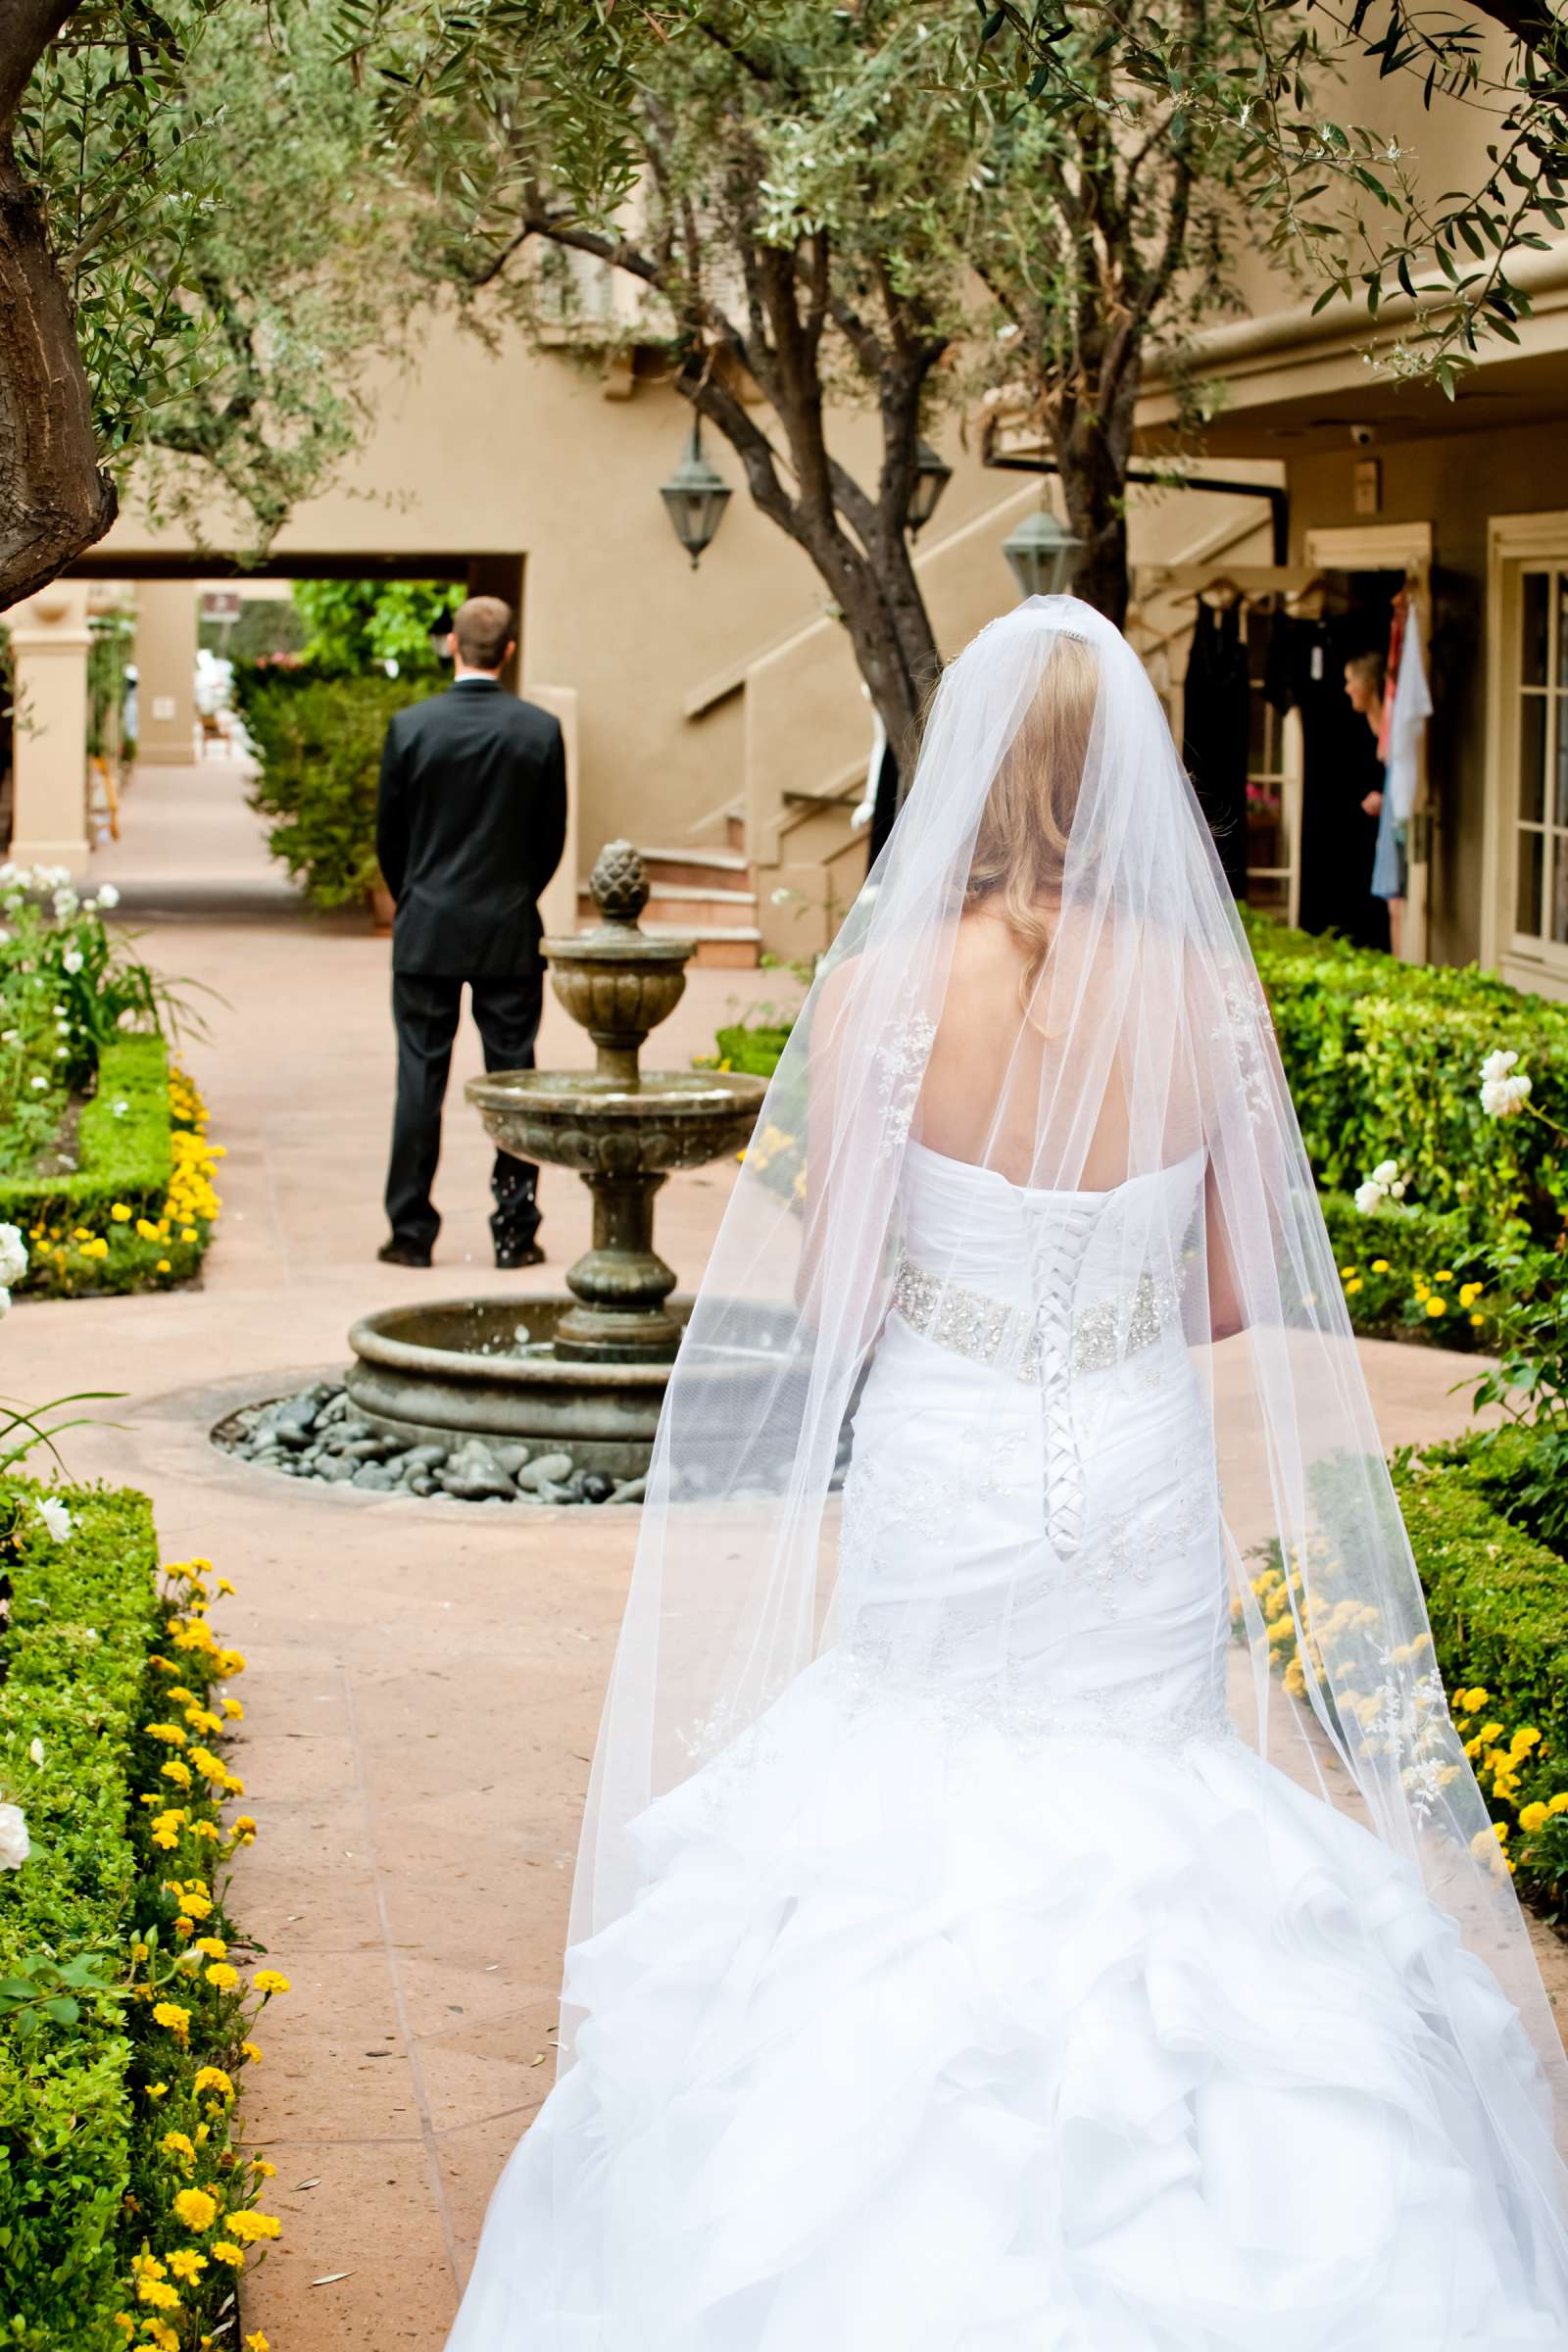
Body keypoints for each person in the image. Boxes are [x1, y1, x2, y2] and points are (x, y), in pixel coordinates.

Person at [447, 601, 1568, 2349]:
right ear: (1132, 779)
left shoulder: (885, 985)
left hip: (948, 1457)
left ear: (959, 769)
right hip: (1125, 1470)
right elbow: (1225, 1289)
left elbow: (830, 1300)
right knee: (1155, 1787)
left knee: (907, 1784)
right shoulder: (1206, 988)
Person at [375, 596, 566, 1270]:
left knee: (418, 1079)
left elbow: (389, 841)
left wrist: (418, 898)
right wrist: (512, 897)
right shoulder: (539, 732)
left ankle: (410, 1234)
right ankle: (515, 1233)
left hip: (426, 928)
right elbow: (551, 840)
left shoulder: (411, 728)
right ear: (508, 651)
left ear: (452, 644)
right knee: (513, 1082)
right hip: (508, 930)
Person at [1345, 646, 1404, 954]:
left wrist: (1387, 800)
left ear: (1367, 684)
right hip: (1381, 816)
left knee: (1397, 900)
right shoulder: (1372, 722)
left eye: (1351, 680)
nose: (1347, 689)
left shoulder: (1390, 722)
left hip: (1395, 817)